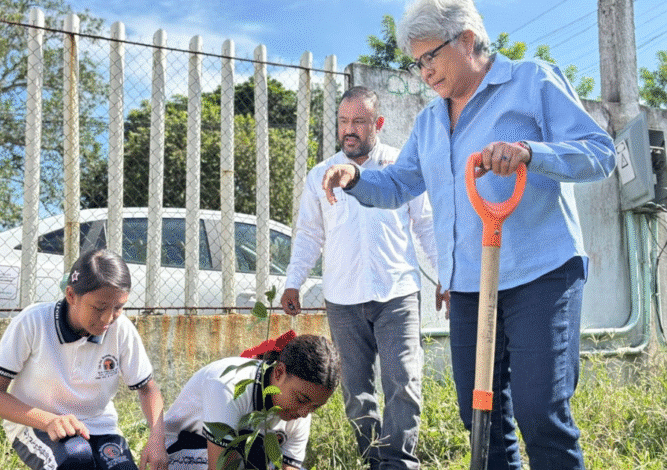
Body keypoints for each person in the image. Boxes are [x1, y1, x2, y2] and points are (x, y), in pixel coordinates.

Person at [321, 1, 616, 469]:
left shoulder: (531, 81)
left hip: (541, 275)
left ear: (466, 39)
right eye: (416, 63)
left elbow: (599, 153)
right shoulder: (429, 122)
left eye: (430, 56)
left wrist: (529, 152)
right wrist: (356, 179)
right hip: (469, 288)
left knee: (541, 413)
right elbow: (399, 184)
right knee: (480, 418)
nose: (424, 71)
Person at [280, 86, 438, 470]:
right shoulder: (319, 175)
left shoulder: (401, 167)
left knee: (404, 382)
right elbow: (309, 234)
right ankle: (373, 460)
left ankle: (398, 463)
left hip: (398, 293)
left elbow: (426, 226)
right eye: (343, 121)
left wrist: (445, 277)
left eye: (359, 121)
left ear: (378, 123)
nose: (349, 129)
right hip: (343, 298)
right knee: (355, 390)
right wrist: (293, 281)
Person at [0, 249, 168, 470]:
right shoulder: (33, 322)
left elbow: (147, 389)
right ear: (71, 295)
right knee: (76, 458)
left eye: (118, 307)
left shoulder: (121, 329)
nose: (108, 318)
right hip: (36, 424)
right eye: (99, 307)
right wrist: (48, 420)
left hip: (98, 425)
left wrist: (157, 438)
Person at [163, 331, 340, 470]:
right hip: (183, 453)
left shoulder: (301, 408)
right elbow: (220, 467)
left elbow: (289, 466)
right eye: (301, 400)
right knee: (251, 456)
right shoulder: (229, 387)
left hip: (244, 458)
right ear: (279, 372)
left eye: (315, 407)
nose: (304, 413)